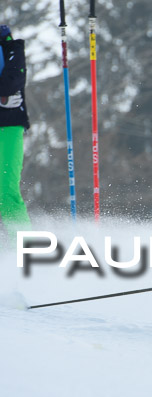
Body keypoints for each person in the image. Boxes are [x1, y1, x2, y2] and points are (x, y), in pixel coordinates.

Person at [0, 24, 31, 241]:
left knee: (6, 191)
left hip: (8, 125)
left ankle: (24, 248)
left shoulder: (10, 47)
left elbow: (10, 84)